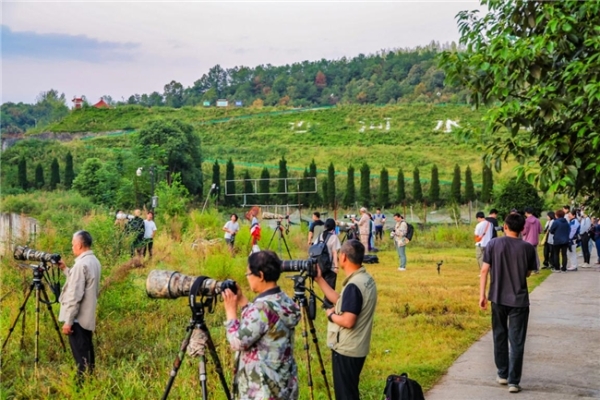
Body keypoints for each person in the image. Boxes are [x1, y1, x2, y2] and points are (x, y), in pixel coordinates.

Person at [222, 251, 300, 400]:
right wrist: (243, 301)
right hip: (283, 385)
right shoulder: (283, 300)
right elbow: (263, 325)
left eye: (249, 274)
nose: (248, 278)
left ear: (261, 275)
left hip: (263, 390)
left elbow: (237, 342)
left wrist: (231, 311)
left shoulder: (261, 310)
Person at [479, 213, 537, 393]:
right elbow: (528, 273)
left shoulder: (493, 244)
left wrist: (482, 295)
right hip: (519, 301)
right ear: (522, 229)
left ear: (505, 226)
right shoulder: (528, 248)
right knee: (517, 340)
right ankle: (514, 381)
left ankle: (502, 373)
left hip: (497, 297)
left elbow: (484, 271)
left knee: (499, 335)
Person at [314, 240, 377, 400]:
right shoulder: (364, 279)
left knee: (346, 396)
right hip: (358, 347)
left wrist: (331, 315)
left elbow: (348, 321)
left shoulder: (354, 286)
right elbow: (342, 300)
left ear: (343, 257)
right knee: (350, 392)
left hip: (347, 350)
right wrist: (320, 279)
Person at [58, 230, 101, 380]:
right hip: (87, 319)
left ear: (80, 244)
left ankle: (82, 388)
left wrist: (68, 322)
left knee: (81, 360)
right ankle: (92, 382)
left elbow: (74, 296)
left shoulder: (81, 264)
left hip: (78, 320)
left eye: (73, 244)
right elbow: (81, 281)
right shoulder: (93, 261)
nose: (72, 247)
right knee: (88, 353)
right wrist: (65, 269)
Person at [317, 218, 342, 293]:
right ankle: (327, 304)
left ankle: (326, 303)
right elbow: (335, 253)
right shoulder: (334, 237)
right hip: (330, 266)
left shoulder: (319, 236)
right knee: (330, 288)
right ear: (333, 227)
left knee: (325, 287)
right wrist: (336, 267)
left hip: (320, 265)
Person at [522, 207, 543, 272]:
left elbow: (524, 232)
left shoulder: (526, 221)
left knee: (527, 255)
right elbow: (540, 230)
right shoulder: (537, 220)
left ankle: (528, 268)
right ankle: (536, 267)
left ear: (526, 213)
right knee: (535, 253)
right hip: (535, 240)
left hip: (527, 240)